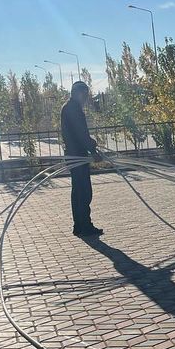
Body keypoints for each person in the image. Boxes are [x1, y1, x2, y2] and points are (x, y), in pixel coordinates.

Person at [60, 81, 103, 237]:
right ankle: (84, 226)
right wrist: (92, 149)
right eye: (85, 95)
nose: (86, 99)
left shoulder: (68, 107)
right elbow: (81, 134)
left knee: (79, 191)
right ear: (78, 93)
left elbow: (79, 133)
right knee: (83, 192)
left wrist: (91, 145)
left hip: (74, 154)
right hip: (77, 155)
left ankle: (80, 225)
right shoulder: (73, 109)